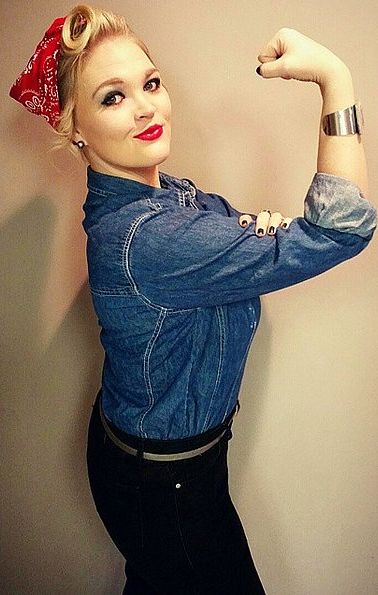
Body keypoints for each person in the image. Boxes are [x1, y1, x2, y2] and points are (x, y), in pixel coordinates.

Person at [9, 4, 376, 594]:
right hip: (165, 483)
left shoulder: (167, 197)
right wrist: (336, 77)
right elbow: (341, 229)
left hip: (153, 465)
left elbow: (226, 226)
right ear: (74, 126)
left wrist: (250, 228)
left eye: (150, 83)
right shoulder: (149, 238)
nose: (146, 106)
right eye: (112, 97)